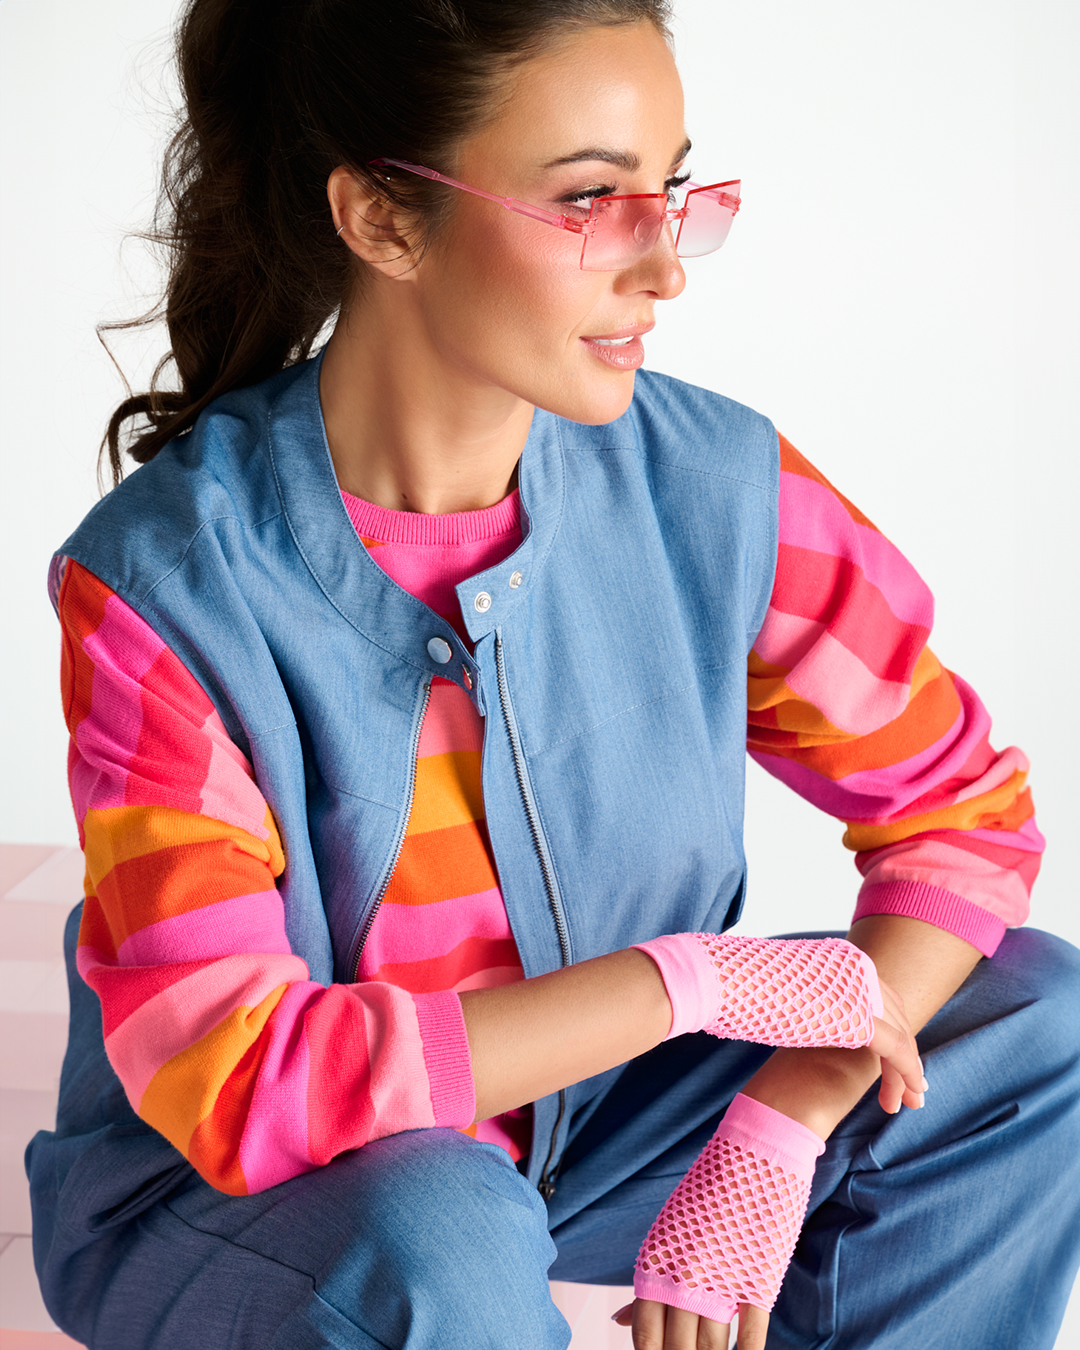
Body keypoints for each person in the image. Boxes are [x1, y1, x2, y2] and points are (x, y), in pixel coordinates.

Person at [25, 1, 1080, 1347]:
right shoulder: (168, 586)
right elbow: (235, 1080)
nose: (666, 269)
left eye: (673, 192)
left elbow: (961, 813)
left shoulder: (718, 491)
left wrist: (788, 1109)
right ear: (382, 218)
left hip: (591, 1127)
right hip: (256, 1189)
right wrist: (686, 983)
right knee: (446, 1232)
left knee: (1030, 1021)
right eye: (589, 199)